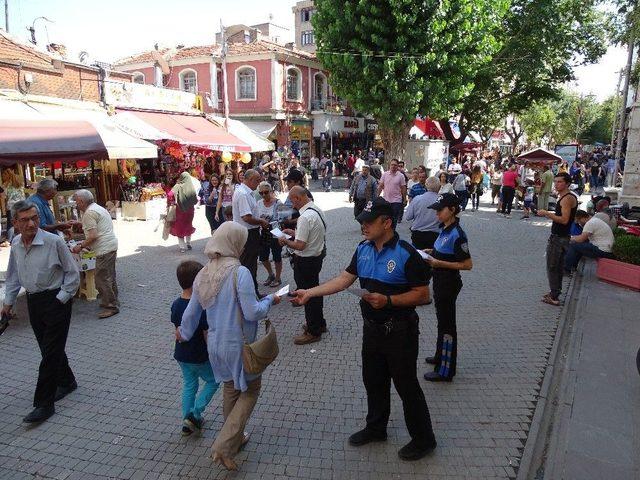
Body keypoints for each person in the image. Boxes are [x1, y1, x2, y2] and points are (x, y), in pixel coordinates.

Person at [291, 197, 437, 461]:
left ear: (387, 222)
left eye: (369, 222)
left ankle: (424, 440)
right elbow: (343, 279)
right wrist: (309, 293)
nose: (363, 226)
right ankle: (376, 428)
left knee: (407, 386)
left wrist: (389, 300)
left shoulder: (406, 253)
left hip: (400, 332)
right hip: (372, 331)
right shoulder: (363, 249)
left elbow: (423, 295)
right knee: (374, 381)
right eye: (361, 222)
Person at [177, 222, 280, 471]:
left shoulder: (202, 274)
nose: (244, 246)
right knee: (251, 391)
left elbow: (191, 313)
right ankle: (223, 445)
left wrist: (183, 333)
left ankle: (236, 440)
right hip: (238, 346)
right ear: (233, 242)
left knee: (231, 390)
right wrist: (270, 299)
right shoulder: (239, 272)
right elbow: (252, 312)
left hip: (215, 346)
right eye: (242, 241)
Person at [2, 200, 80, 423]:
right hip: (34, 301)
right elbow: (13, 276)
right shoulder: (16, 243)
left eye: (34, 218)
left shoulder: (53, 241)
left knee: (49, 353)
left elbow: (73, 273)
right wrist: (8, 303)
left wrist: (61, 299)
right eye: (25, 220)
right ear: (15, 223)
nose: (31, 224)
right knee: (47, 347)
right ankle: (67, 381)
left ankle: (44, 404)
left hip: (56, 299)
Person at [422, 193, 473, 382]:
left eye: (440, 210)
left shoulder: (458, 235)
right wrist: (431, 252)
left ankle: (445, 370)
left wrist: (439, 263)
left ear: (452, 210)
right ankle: (440, 355)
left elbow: (467, 265)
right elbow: (443, 252)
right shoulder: (445, 229)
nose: (436, 214)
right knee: (442, 322)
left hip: (448, 284)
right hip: (440, 281)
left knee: (447, 326)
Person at [171, 260, 219, 436]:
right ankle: (195, 414)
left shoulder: (176, 304)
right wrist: (214, 353)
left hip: (182, 354)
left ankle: (186, 421)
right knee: (213, 380)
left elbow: (177, 330)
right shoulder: (201, 306)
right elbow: (207, 333)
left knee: (189, 385)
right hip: (199, 355)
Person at [278, 186, 327, 344]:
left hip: (305, 261)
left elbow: (300, 246)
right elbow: (312, 234)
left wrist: (285, 240)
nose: (292, 205)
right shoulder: (317, 210)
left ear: (298, 198)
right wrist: (295, 233)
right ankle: (319, 324)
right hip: (316, 258)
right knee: (315, 292)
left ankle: (313, 331)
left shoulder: (305, 217)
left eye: (292, 201)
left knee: (307, 295)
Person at [70, 189, 119, 319]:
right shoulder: (97, 208)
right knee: (109, 276)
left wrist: (80, 246)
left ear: (81, 201)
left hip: (104, 248)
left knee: (101, 279)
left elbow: (93, 236)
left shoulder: (89, 213)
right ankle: (113, 301)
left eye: (76, 201)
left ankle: (110, 306)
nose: (76, 204)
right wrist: (80, 223)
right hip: (110, 246)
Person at [537, 172, 578, 306]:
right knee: (557, 266)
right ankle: (555, 292)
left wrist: (547, 213)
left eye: (559, 182)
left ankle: (554, 296)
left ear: (567, 183)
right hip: (560, 236)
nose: (556, 184)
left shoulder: (566, 198)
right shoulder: (565, 197)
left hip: (559, 237)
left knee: (552, 266)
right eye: (556, 181)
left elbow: (564, 220)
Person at [232, 169, 269, 295]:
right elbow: (246, 217)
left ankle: (252, 292)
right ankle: (249, 295)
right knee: (248, 266)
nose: (259, 183)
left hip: (249, 233)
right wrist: (261, 222)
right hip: (247, 234)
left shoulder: (247, 192)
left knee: (251, 264)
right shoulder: (243, 193)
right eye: (257, 180)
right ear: (250, 180)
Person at [256, 182, 283, 288]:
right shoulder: (258, 203)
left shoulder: (278, 203)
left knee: (277, 256)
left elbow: (285, 218)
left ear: (271, 191)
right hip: (263, 232)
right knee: (263, 256)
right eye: (261, 193)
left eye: (266, 192)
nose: (263, 195)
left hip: (275, 232)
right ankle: (271, 274)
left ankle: (278, 277)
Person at [404, 176, 441, 250]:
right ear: (439, 187)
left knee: (418, 257)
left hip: (418, 234)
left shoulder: (417, 199)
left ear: (426, 186)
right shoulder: (441, 200)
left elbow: (408, 217)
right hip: (436, 234)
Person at [168, 172, 198, 253]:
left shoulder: (178, 185)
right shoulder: (191, 187)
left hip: (180, 210)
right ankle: (188, 243)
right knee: (188, 226)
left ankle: (182, 247)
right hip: (190, 211)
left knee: (180, 227)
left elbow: (169, 194)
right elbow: (195, 200)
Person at [377, 159, 407, 227]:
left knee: (393, 219)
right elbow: (381, 186)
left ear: (397, 166)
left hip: (396, 201)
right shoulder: (385, 174)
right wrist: (377, 196)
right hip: (386, 200)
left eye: (395, 165)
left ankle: (392, 232)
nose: (393, 166)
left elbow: (403, 188)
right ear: (389, 165)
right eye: (392, 164)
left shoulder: (401, 176)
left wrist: (404, 199)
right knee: (386, 218)